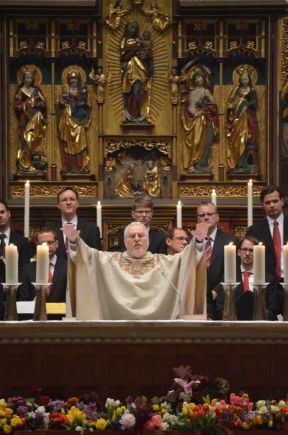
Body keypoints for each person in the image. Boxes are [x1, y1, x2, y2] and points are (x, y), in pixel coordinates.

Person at [64, 220, 207, 320]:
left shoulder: (164, 262)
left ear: (148, 240)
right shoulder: (109, 261)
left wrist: (199, 241)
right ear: (125, 242)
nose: (137, 239)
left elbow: (188, 258)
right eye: (132, 236)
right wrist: (74, 241)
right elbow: (85, 256)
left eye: (141, 235)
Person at [196, 200, 238, 320]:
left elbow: (233, 270)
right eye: (202, 215)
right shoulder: (190, 240)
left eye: (209, 214)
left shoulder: (231, 241)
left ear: (217, 217)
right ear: (198, 219)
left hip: (222, 299)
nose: (206, 217)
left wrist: (217, 290)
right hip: (196, 299)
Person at [181, 66, 219, 174]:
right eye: (196, 78)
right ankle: (191, 165)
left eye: (200, 78)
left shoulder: (205, 91)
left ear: (203, 79)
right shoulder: (191, 92)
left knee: (199, 142)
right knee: (192, 142)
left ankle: (197, 164)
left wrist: (202, 110)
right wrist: (191, 113)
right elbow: (188, 106)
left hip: (201, 119)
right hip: (191, 119)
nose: (198, 80)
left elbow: (213, 104)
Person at [247, 184, 288, 282]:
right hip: (266, 283)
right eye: (268, 202)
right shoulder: (254, 230)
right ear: (263, 205)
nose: (272, 205)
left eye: (275, 201)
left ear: (282, 201)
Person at [235, 237, 283, 321]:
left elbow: (274, 307)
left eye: (251, 250)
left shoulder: (269, 279)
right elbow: (222, 305)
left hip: (262, 327)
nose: (247, 253)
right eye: (244, 249)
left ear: (258, 253)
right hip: (235, 326)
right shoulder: (229, 278)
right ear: (238, 252)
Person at [49, 187, 101, 259]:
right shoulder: (49, 228)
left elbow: (95, 257)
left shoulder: (92, 229)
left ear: (77, 203)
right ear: (58, 205)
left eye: (72, 199)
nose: (68, 202)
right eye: (64, 200)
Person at [56, 68, 91, 174]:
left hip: (79, 118)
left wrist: (83, 103)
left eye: (75, 79)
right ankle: (69, 165)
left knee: (79, 141)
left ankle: (80, 165)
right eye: (71, 79)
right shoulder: (65, 91)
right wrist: (62, 102)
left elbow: (88, 104)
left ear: (78, 80)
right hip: (67, 118)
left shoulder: (82, 91)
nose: (73, 81)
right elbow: (59, 103)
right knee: (68, 141)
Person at [18, 227, 67, 303]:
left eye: (50, 242)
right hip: (35, 313)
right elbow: (24, 299)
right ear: (37, 245)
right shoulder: (27, 270)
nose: (46, 246)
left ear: (56, 244)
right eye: (42, 243)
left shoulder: (67, 267)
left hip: (62, 313)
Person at [0, 200, 31, 319]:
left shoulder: (22, 242)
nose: (0, 215)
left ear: (9, 214)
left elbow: (24, 270)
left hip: (15, 295)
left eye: (2, 212)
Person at [14, 65, 48, 173]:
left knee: (34, 142)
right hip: (25, 121)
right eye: (27, 78)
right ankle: (25, 164)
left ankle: (34, 162)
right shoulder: (20, 91)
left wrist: (36, 104)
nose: (29, 80)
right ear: (23, 79)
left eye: (31, 78)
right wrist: (27, 104)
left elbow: (44, 104)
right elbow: (17, 107)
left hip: (36, 120)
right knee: (26, 141)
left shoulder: (36, 90)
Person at [226, 65, 259, 174]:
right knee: (236, 142)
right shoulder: (237, 89)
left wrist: (245, 104)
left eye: (246, 79)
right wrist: (232, 108)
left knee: (243, 141)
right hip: (237, 119)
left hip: (247, 119)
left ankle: (243, 165)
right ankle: (237, 164)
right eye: (242, 79)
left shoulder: (252, 90)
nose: (244, 81)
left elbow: (255, 102)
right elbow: (230, 101)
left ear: (249, 79)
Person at [120, 20, 153, 122]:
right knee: (130, 92)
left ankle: (139, 113)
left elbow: (145, 54)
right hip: (129, 71)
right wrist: (134, 50)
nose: (133, 29)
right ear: (127, 28)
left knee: (138, 90)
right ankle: (130, 114)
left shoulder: (139, 40)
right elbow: (123, 58)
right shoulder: (124, 41)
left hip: (140, 70)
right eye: (131, 27)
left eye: (135, 27)